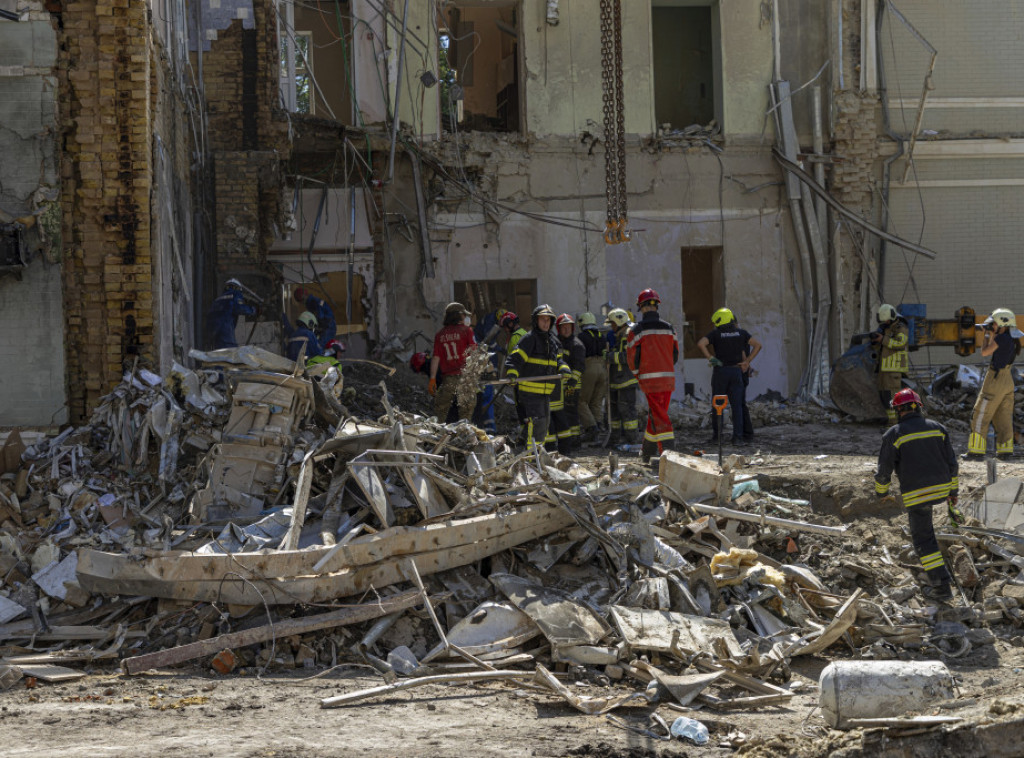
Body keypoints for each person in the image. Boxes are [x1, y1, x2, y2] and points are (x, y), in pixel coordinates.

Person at [875, 388, 961, 602]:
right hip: (941, 488)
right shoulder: (939, 429)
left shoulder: (894, 434)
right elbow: (952, 464)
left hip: (918, 493)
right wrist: (953, 493)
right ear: (918, 407)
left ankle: (941, 586)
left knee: (924, 541)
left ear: (898, 410)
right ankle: (942, 577)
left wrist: (881, 493)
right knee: (928, 533)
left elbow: (884, 470)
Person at [505, 304, 570, 449]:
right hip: (530, 391)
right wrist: (512, 373)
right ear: (536, 321)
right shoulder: (529, 339)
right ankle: (531, 458)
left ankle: (532, 452)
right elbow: (514, 359)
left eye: (548, 320)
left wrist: (564, 368)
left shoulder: (551, 341)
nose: (546, 323)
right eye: (543, 320)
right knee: (538, 423)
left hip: (545, 391)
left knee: (544, 423)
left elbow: (558, 360)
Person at [627, 289, 679, 462]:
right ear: (656, 305)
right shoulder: (669, 328)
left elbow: (631, 359)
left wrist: (638, 375)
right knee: (657, 413)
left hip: (649, 381)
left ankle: (668, 453)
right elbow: (675, 354)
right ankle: (647, 451)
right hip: (668, 379)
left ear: (641, 307)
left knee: (659, 415)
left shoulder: (636, 330)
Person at [697, 307, 761, 446]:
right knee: (737, 406)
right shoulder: (741, 333)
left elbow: (701, 343)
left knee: (717, 405)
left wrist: (711, 358)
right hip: (736, 372)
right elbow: (757, 345)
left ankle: (717, 437)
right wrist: (747, 362)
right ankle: (737, 438)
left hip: (721, 372)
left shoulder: (716, 334)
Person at [964, 308, 1021, 460]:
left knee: (981, 413)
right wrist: (993, 332)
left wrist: (987, 335)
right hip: (1007, 379)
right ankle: (1005, 452)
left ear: (1003, 324)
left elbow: (985, 352)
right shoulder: (1011, 338)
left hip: (995, 379)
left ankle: (975, 452)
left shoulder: (1000, 339)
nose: (992, 326)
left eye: (994, 324)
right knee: (1003, 416)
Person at [429, 302, 477, 422]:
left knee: (440, 411)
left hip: (448, 380)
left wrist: (432, 379)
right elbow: (474, 352)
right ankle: (464, 437)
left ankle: (438, 437)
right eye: (463, 314)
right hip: (465, 378)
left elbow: (436, 358)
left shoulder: (439, 335)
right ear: (458, 315)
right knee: (466, 414)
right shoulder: (467, 331)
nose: (465, 317)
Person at [551, 313, 585, 455]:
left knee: (571, 413)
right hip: (559, 386)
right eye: (563, 327)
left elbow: (580, 366)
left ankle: (575, 440)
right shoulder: (557, 342)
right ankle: (564, 440)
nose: (566, 330)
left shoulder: (576, 344)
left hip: (572, 386)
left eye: (568, 327)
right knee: (561, 413)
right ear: (559, 329)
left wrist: (572, 381)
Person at [605, 308, 639, 447]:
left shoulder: (627, 334)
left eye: (613, 324)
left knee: (627, 411)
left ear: (619, 322)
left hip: (626, 380)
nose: (612, 327)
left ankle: (632, 440)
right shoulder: (621, 334)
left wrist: (610, 357)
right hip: (617, 380)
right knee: (615, 411)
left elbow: (628, 357)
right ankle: (615, 439)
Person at [871, 304, 909, 426]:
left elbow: (900, 344)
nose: (885, 322)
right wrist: (876, 341)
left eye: (886, 320)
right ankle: (890, 421)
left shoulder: (900, 328)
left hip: (894, 369)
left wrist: (883, 339)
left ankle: (894, 423)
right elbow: (882, 347)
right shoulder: (885, 328)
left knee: (893, 397)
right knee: (885, 397)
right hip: (884, 369)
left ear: (892, 317)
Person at [577, 312, 609, 442]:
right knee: (596, 401)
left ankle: (591, 428)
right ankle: (598, 425)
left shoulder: (581, 336)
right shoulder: (601, 336)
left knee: (581, 401)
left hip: (589, 367)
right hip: (602, 368)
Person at [208, 278, 257, 349]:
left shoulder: (218, 300)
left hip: (214, 333)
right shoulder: (235, 294)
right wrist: (253, 310)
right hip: (225, 331)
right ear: (237, 288)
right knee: (230, 353)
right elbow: (239, 308)